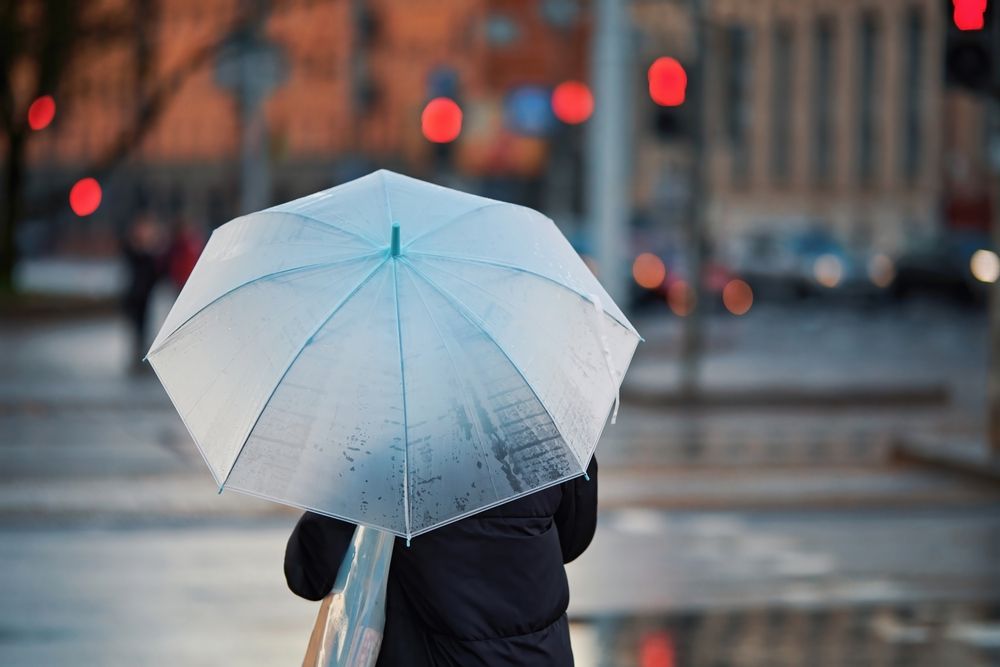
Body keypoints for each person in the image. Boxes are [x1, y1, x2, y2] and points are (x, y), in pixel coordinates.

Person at [285, 456, 599, 666]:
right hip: (539, 655)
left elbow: (309, 574)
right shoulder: (548, 426)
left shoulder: (389, 444)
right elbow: (571, 541)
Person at [120, 213, 165, 372]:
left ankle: (140, 357)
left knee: (145, 327)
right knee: (136, 328)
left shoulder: (151, 253)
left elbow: (158, 273)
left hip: (146, 296)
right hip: (134, 296)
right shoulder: (133, 250)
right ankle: (136, 357)